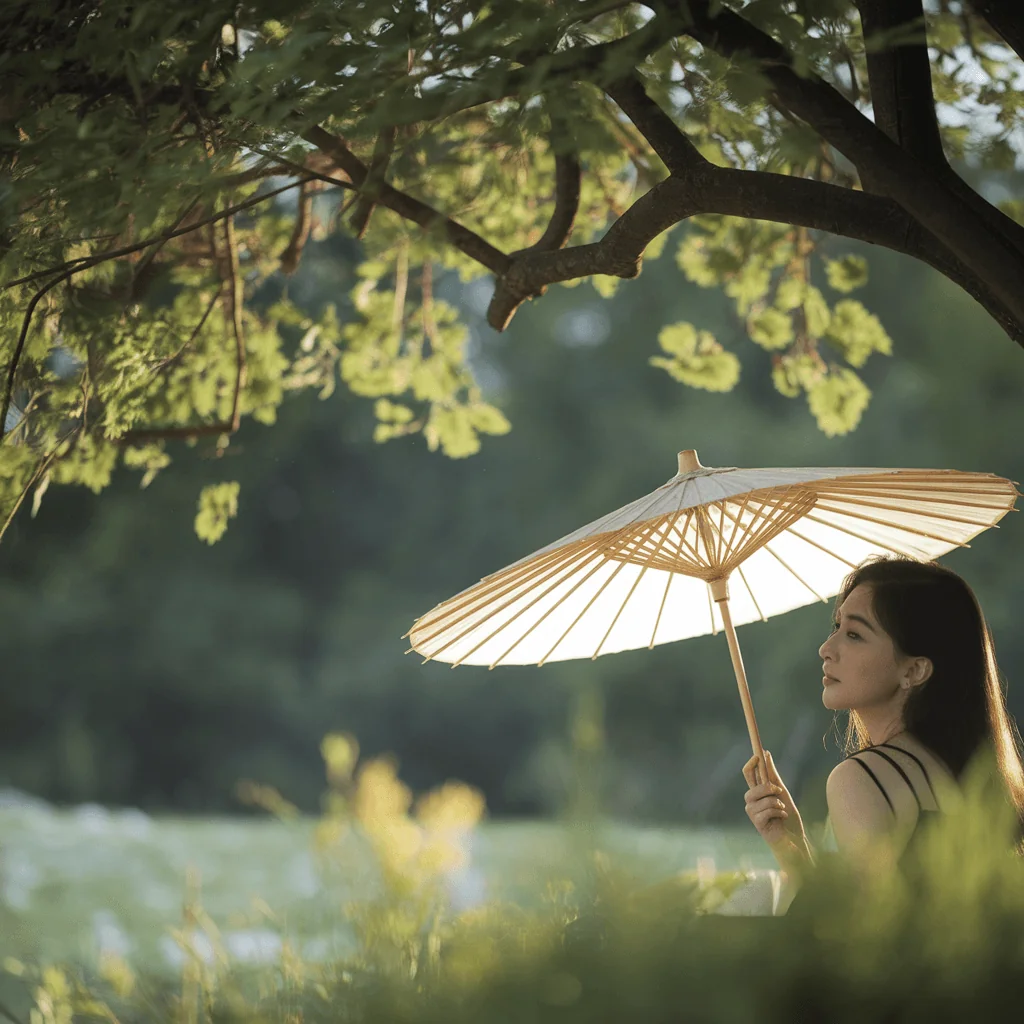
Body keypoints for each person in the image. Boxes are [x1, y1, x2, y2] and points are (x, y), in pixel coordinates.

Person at [740, 555, 1024, 912]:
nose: (826, 649)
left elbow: (869, 949)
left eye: (855, 634)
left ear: (915, 670)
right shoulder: (989, 781)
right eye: (837, 627)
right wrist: (791, 841)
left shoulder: (860, 779)